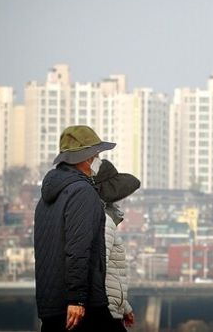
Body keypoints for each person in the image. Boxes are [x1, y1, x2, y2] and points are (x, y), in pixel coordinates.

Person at [34, 125, 116, 331]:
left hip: (51, 305)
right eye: (96, 154)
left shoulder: (47, 198)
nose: (98, 159)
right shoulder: (82, 192)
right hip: (81, 308)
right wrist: (77, 299)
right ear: (86, 158)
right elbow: (78, 249)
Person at [93, 159, 140, 331]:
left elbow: (109, 273)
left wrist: (124, 307)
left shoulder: (99, 218)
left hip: (109, 307)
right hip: (104, 310)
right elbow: (99, 269)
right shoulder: (104, 221)